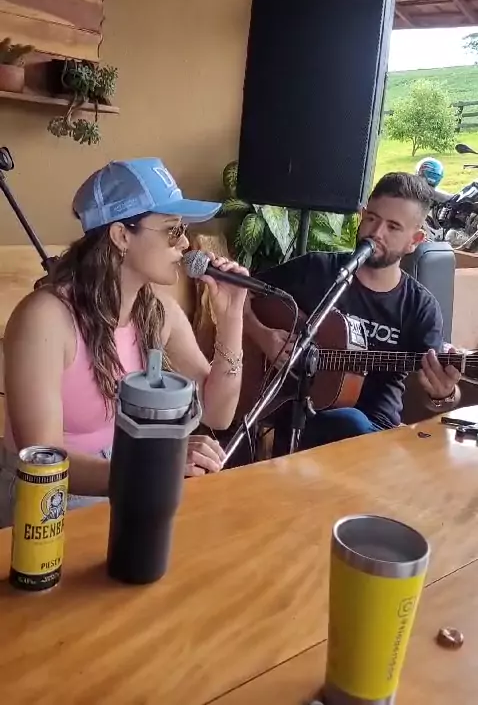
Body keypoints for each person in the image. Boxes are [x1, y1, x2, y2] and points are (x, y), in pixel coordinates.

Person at [0, 158, 248, 526]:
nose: (184, 243)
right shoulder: (45, 319)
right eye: (172, 229)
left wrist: (230, 318)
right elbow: (41, 459)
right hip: (51, 499)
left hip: (127, 478)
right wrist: (154, 468)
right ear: (121, 236)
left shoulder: (159, 310)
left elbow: (217, 413)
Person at [244, 172, 462, 455]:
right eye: (372, 218)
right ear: (362, 215)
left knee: (352, 421)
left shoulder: (420, 307)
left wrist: (445, 393)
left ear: (415, 240)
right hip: (297, 416)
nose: (377, 232)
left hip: (373, 435)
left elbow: (437, 394)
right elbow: (241, 290)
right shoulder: (317, 270)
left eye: (393, 227)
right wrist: (261, 334)